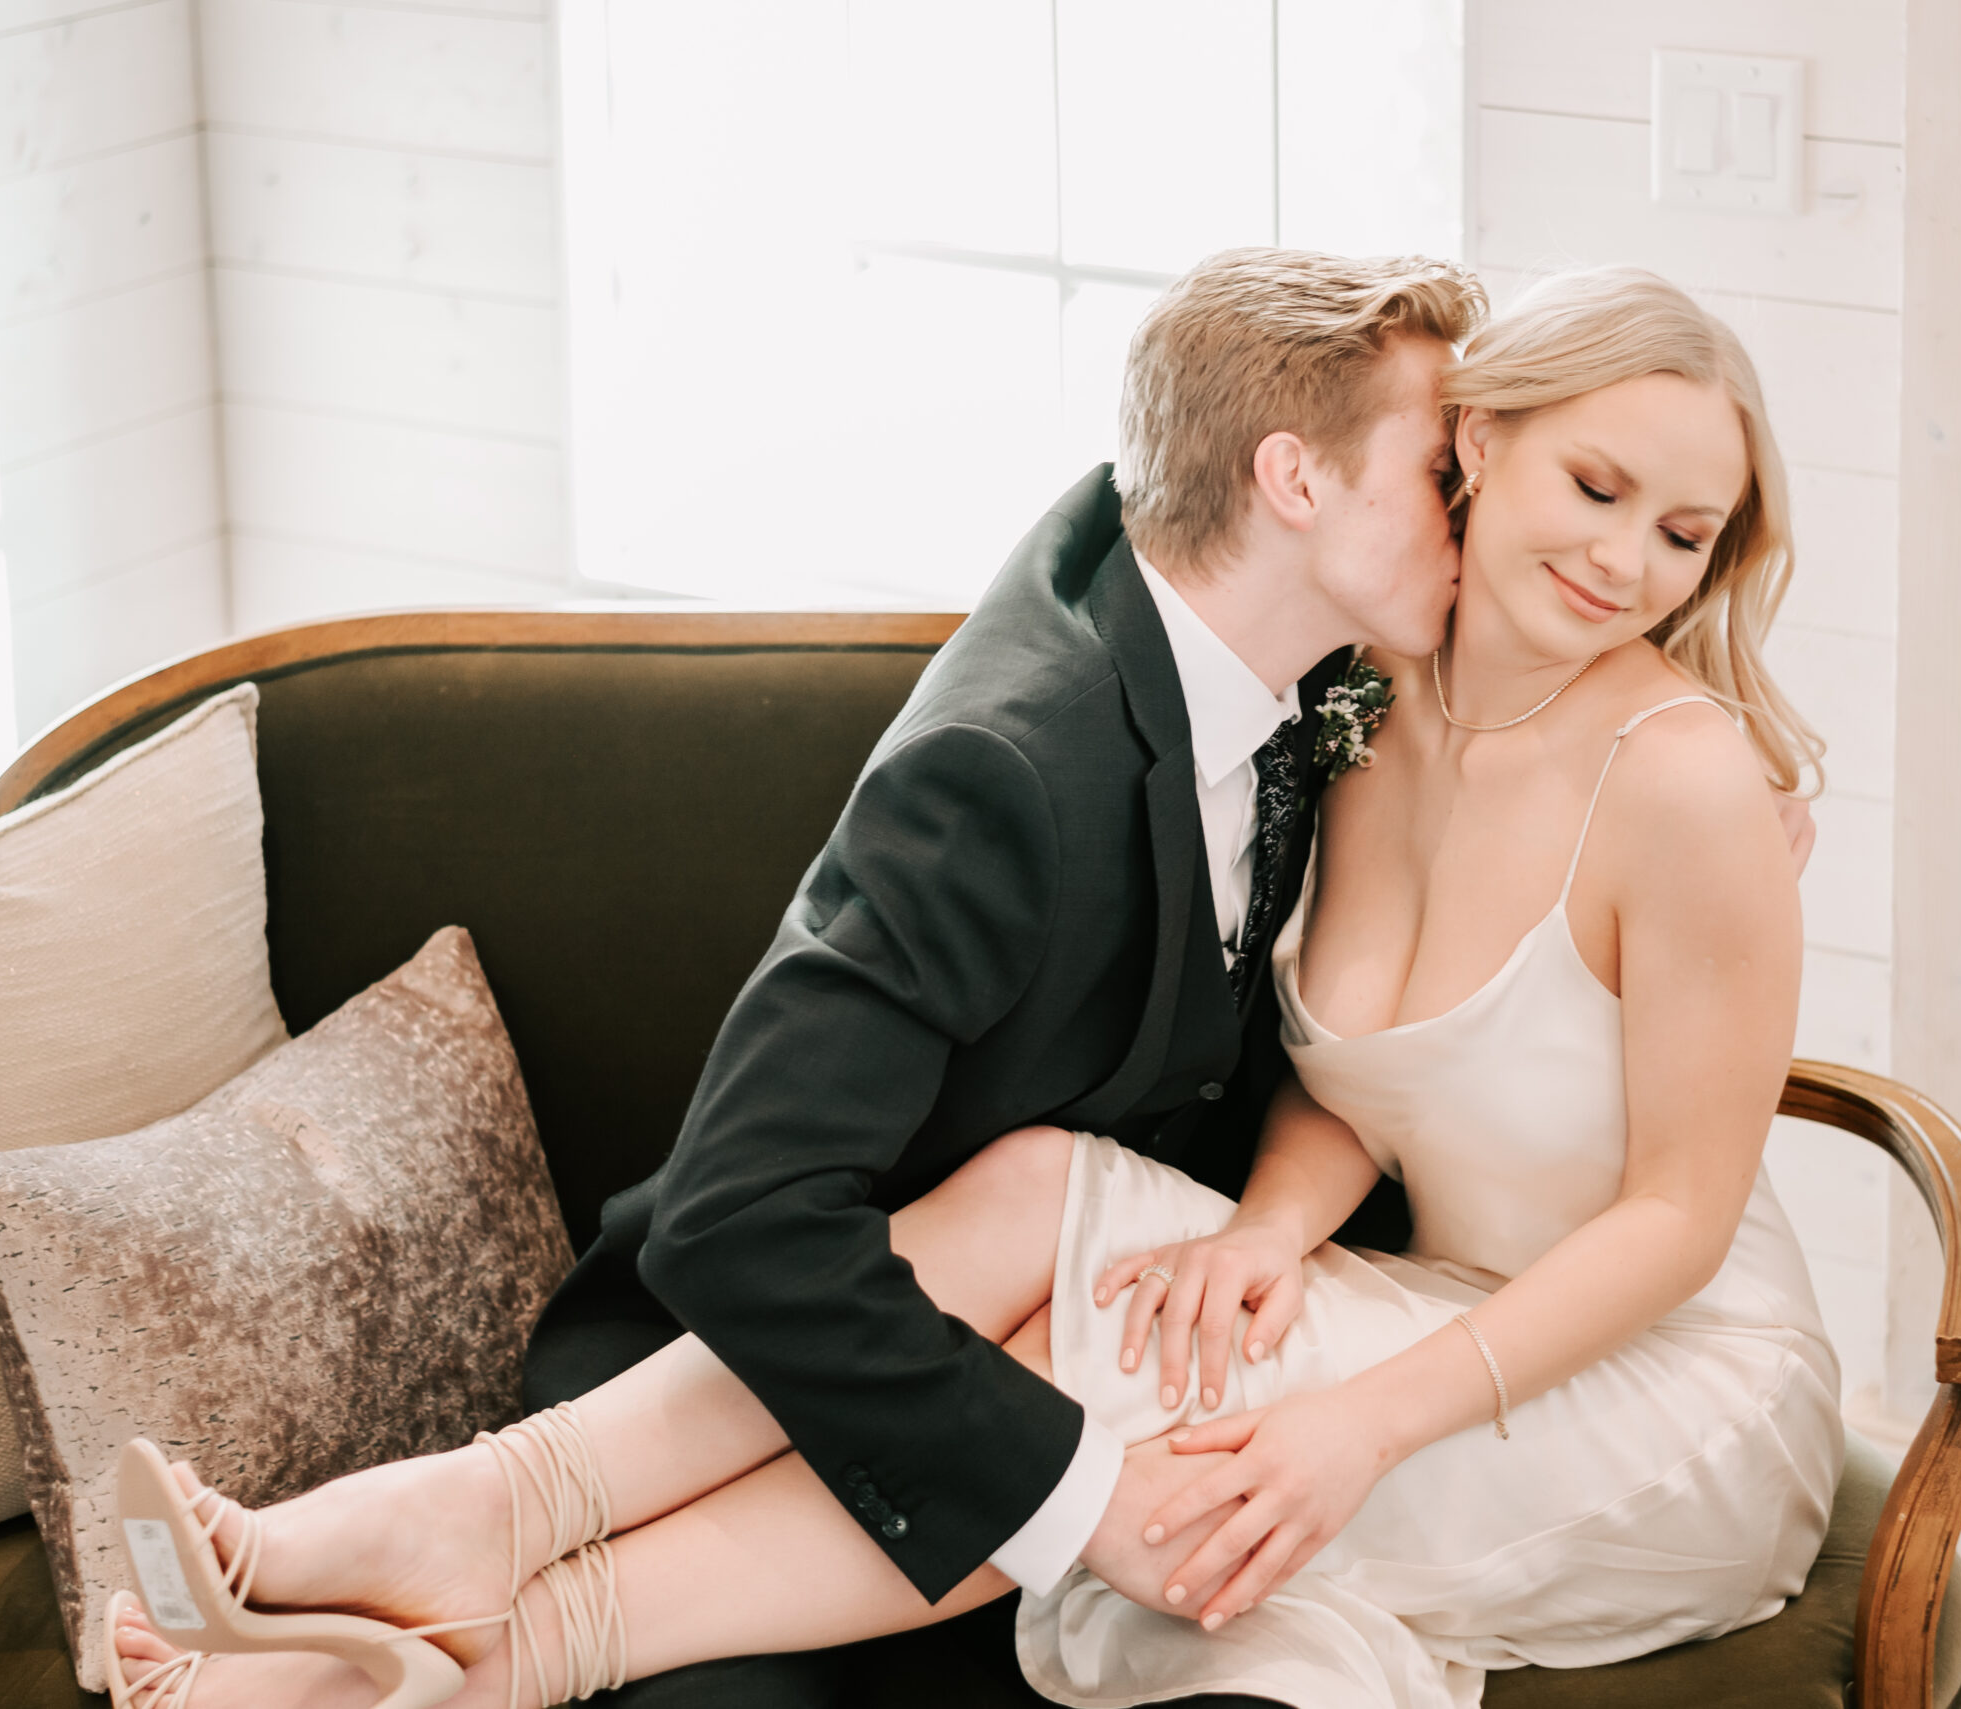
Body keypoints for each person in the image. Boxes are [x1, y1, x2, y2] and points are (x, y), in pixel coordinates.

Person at [105, 262, 1834, 1709]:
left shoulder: (1683, 784)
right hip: (1420, 1295)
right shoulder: (1369, 704)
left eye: (1688, 534)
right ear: (1472, 453)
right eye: (1591, 490)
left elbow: (1679, 1220)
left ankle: (477, 1631)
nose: (1633, 565)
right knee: (1035, 1208)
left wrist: (1360, 1426)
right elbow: (1357, 1072)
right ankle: (465, 1543)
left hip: (1652, 1382)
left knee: (1110, 1378)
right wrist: (1268, 1229)